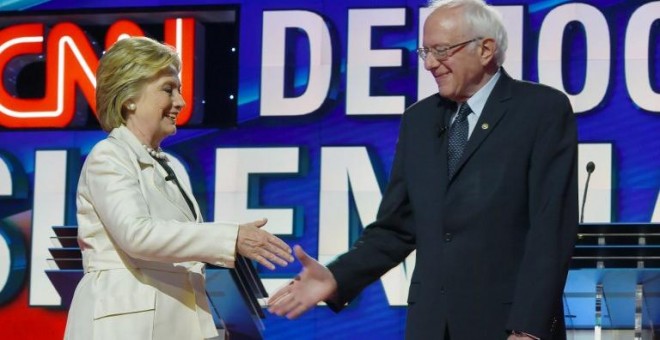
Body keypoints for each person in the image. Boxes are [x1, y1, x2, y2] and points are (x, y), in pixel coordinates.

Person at [268, 0, 578, 339]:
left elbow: (551, 227)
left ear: (486, 49)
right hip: (430, 326)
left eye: (441, 50)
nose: (430, 64)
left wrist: (529, 328)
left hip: (506, 326)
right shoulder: (419, 120)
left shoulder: (540, 110)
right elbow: (396, 228)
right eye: (425, 52)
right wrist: (337, 276)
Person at [64, 36, 294, 340]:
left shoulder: (169, 166)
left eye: (180, 91)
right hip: (127, 327)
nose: (181, 103)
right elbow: (136, 235)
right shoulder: (109, 156)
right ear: (129, 97)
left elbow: (184, 251)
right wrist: (230, 236)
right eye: (168, 89)